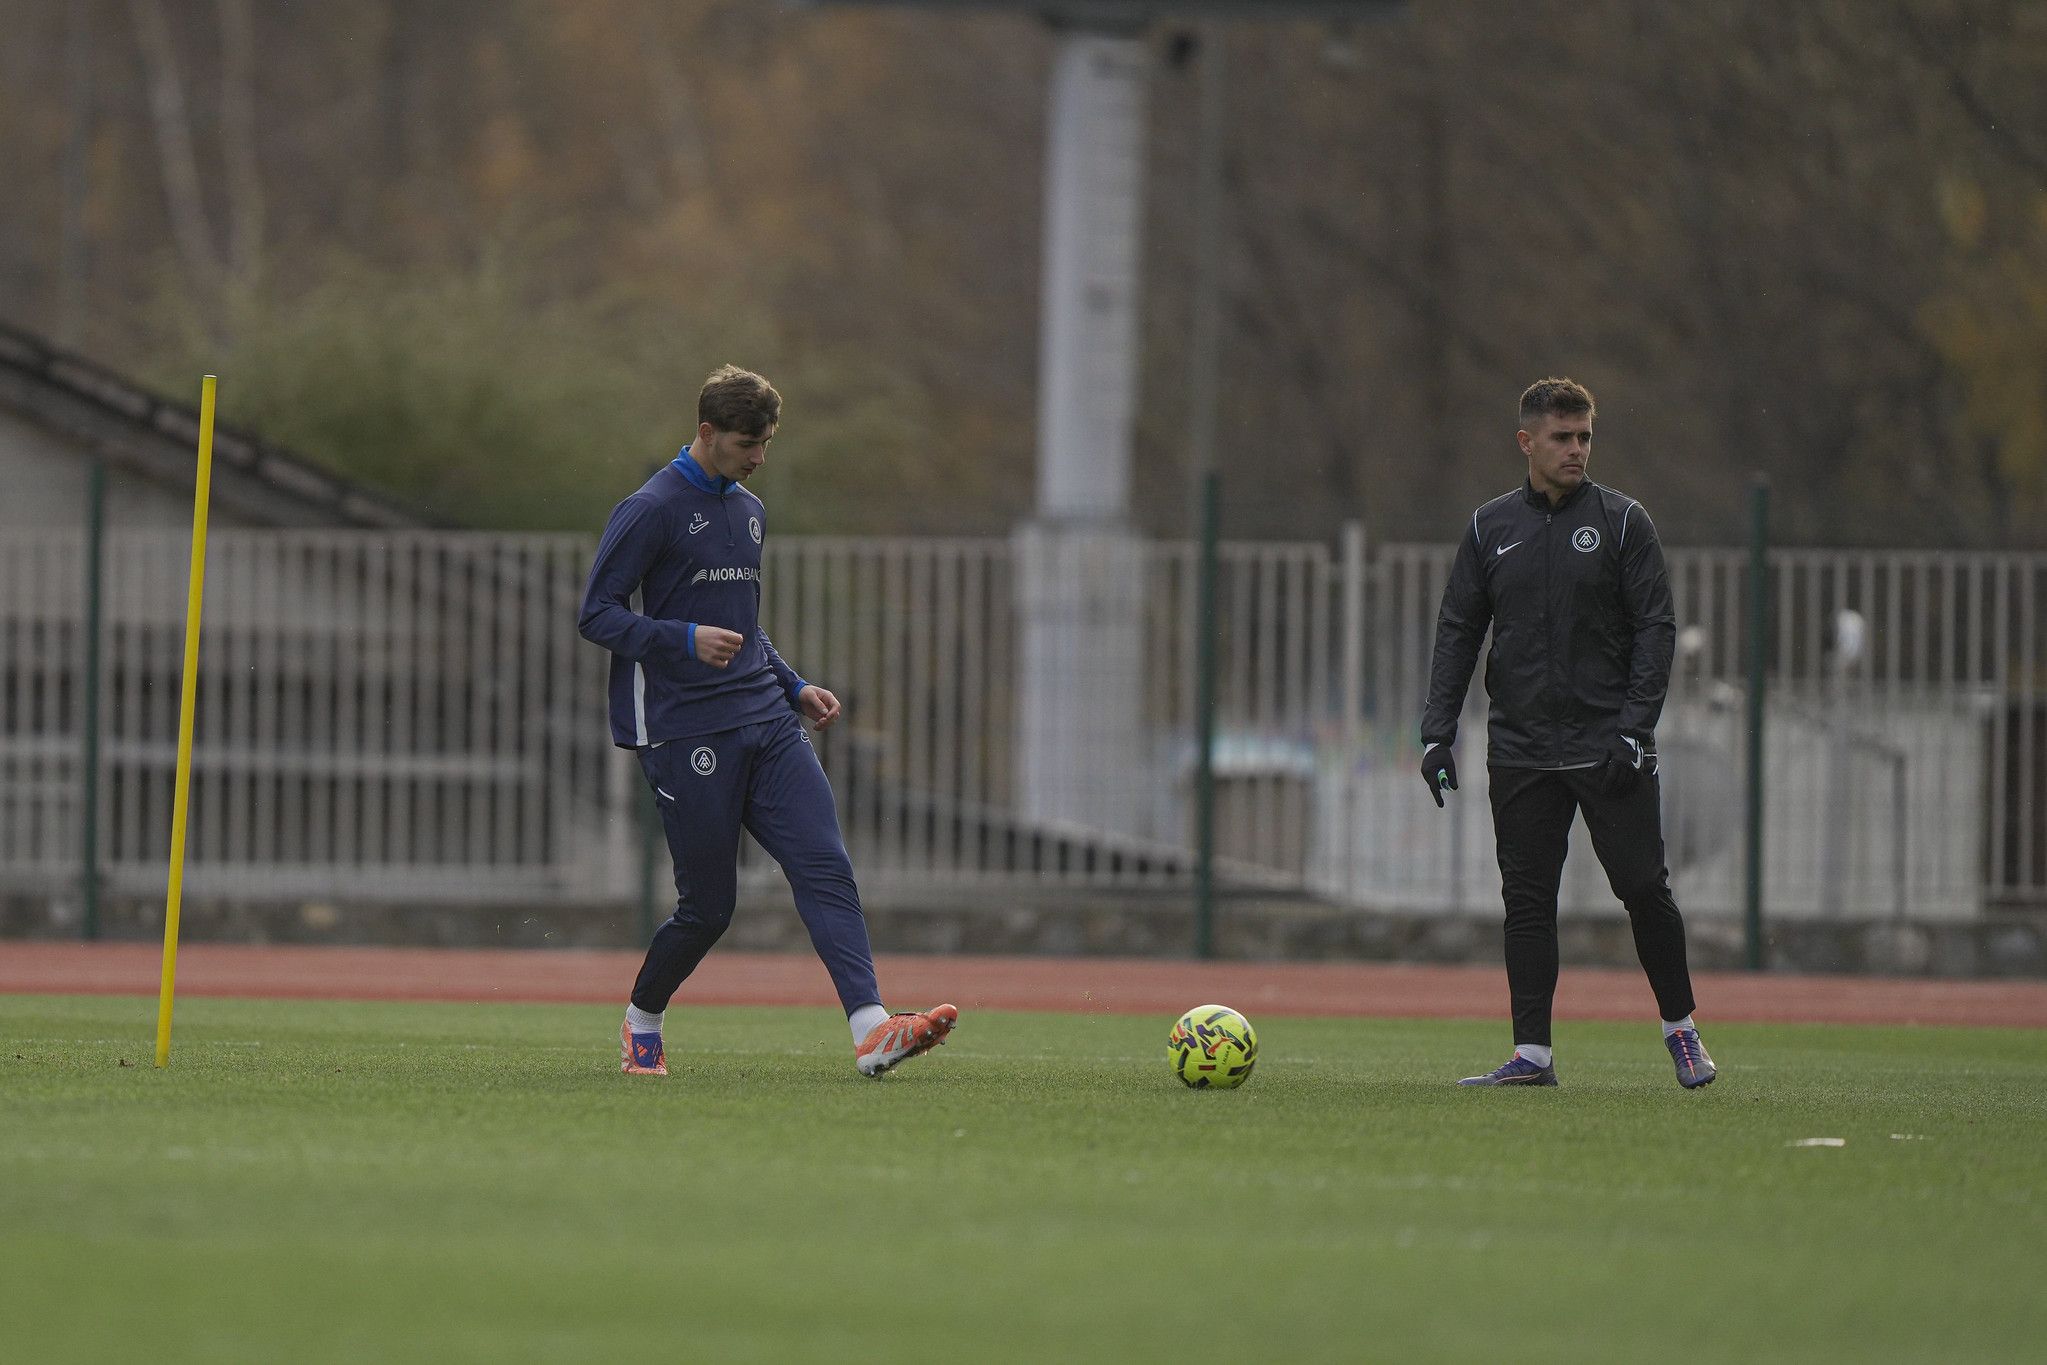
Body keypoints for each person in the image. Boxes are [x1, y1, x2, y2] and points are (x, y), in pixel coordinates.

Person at [579, 364, 956, 1078]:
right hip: (686, 729)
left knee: (824, 863)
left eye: (766, 443)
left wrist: (793, 685)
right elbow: (595, 614)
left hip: (766, 718)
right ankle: (642, 1020)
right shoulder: (651, 508)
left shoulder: (750, 509)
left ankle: (873, 1030)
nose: (758, 456)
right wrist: (683, 639)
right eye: (747, 443)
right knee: (708, 908)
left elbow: (744, 626)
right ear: (707, 432)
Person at [1419, 377, 1714, 1089]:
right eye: (1561, 437)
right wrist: (1437, 732)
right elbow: (1459, 629)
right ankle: (1532, 1055)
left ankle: (1682, 1032)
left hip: (1607, 742)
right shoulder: (1489, 528)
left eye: (1584, 436)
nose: (1576, 449)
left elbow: (1656, 629)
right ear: (1527, 442)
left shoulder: (1623, 522)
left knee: (1643, 888)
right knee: (1526, 901)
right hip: (1520, 747)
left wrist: (1634, 727)